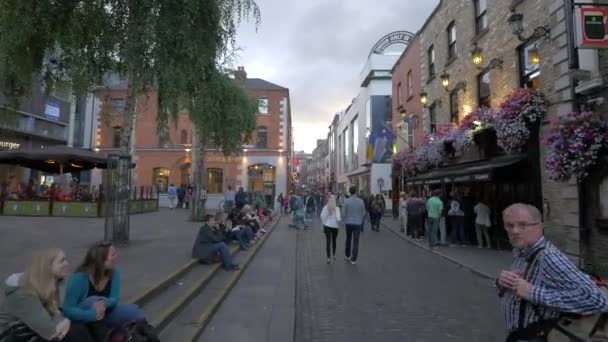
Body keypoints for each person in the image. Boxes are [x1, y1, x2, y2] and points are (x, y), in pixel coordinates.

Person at [497, 203, 608, 341]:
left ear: (539, 226)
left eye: (523, 225)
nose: (515, 231)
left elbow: (598, 300)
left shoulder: (549, 257)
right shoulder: (521, 252)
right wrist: (501, 283)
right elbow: (518, 290)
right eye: (509, 225)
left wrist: (532, 292)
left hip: (541, 336)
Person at [0, 249, 94, 342]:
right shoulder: (23, 294)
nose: (67, 263)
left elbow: (58, 311)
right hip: (10, 335)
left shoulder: (53, 284)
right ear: (47, 266)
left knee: (79, 325)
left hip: (31, 328)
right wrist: (64, 321)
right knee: (73, 332)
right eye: (62, 261)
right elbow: (49, 331)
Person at [62, 242, 147, 329]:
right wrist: (92, 314)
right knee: (93, 300)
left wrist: (104, 302)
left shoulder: (114, 273)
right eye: (113, 254)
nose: (116, 257)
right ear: (101, 259)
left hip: (105, 313)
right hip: (82, 317)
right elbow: (68, 310)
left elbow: (115, 299)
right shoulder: (80, 278)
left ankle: (147, 335)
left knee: (134, 311)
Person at [341, 186, 366, 265]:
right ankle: (354, 259)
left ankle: (347, 255)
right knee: (356, 241)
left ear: (349, 192)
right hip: (357, 224)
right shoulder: (361, 201)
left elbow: (343, 214)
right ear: (355, 192)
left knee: (348, 239)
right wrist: (360, 221)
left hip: (348, 223)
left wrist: (344, 220)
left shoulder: (346, 201)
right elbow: (363, 213)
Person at [320, 195, 341, 264]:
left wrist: (324, 222)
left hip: (327, 226)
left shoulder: (326, 207)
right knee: (334, 241)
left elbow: (322, 216)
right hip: (335, 227)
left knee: (328, 242)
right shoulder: (337, 208)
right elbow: (338, 218)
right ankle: (334, 255)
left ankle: (328, 258)